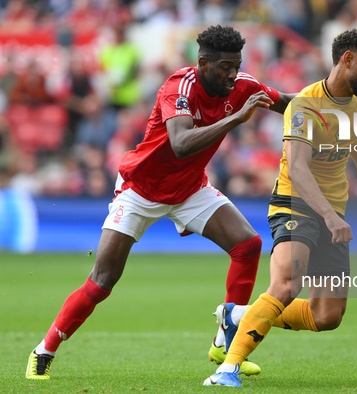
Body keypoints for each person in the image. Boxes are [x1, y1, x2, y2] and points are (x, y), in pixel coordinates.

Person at [25, 25, 293, 380]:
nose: (233, 74)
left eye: (237, 65)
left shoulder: (242, 86)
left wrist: (332, 103)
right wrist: (235, 118)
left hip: (188, 189)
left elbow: (289, 104)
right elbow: (181, 143)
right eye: (226, 67)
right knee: (103, 280)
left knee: (248, 244)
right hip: (141, 190)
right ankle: (43, 351)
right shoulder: (178, 87)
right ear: (203, 63)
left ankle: (226, 344)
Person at [204, 28, 357, 387]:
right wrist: (330, 217)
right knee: (286, 284)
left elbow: (355, 138)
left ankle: (239, 315)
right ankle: (227, 368)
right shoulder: (304, 105)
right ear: (347, 59)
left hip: (333, 209)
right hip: (294, 202)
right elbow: (298, 170)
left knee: (328, 314)